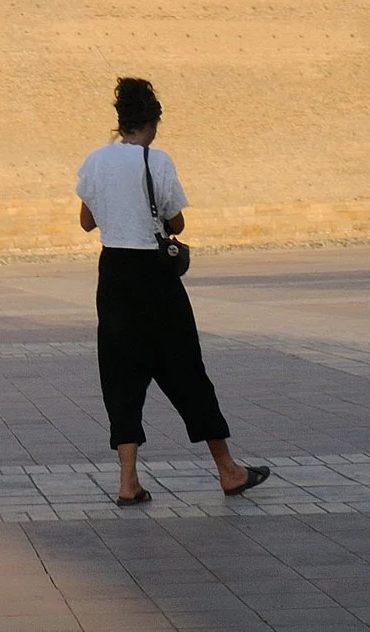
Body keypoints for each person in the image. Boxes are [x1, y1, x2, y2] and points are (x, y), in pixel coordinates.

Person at [78, 77, 269, 505]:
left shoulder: (95, 161)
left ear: (120, 121)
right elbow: (176, 222)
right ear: (153, 122)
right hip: (154, 277)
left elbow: (87, 222)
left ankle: (128, 482)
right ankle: (228, 470)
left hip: (114, 275)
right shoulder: (156, 161)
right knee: (187, 372)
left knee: (120, 378)